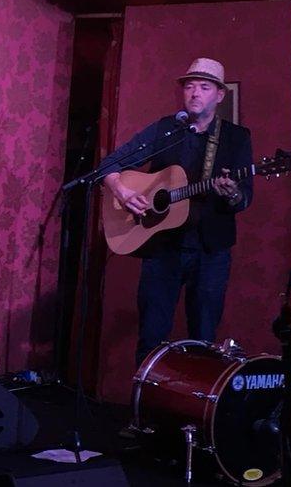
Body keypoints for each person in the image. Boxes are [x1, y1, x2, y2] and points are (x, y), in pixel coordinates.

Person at [97, 58, 253, 366]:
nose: (195, 93)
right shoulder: (166, 129)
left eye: (204, 87)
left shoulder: (236, 138)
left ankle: (193, 410)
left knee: (203, 339)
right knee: (151, 337)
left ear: (219, 95)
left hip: (210, 252)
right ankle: (143, 411)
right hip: (162, 249)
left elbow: (245, 198)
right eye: (189, 86)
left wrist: (232, 192)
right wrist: (123, 192)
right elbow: (110, 164)